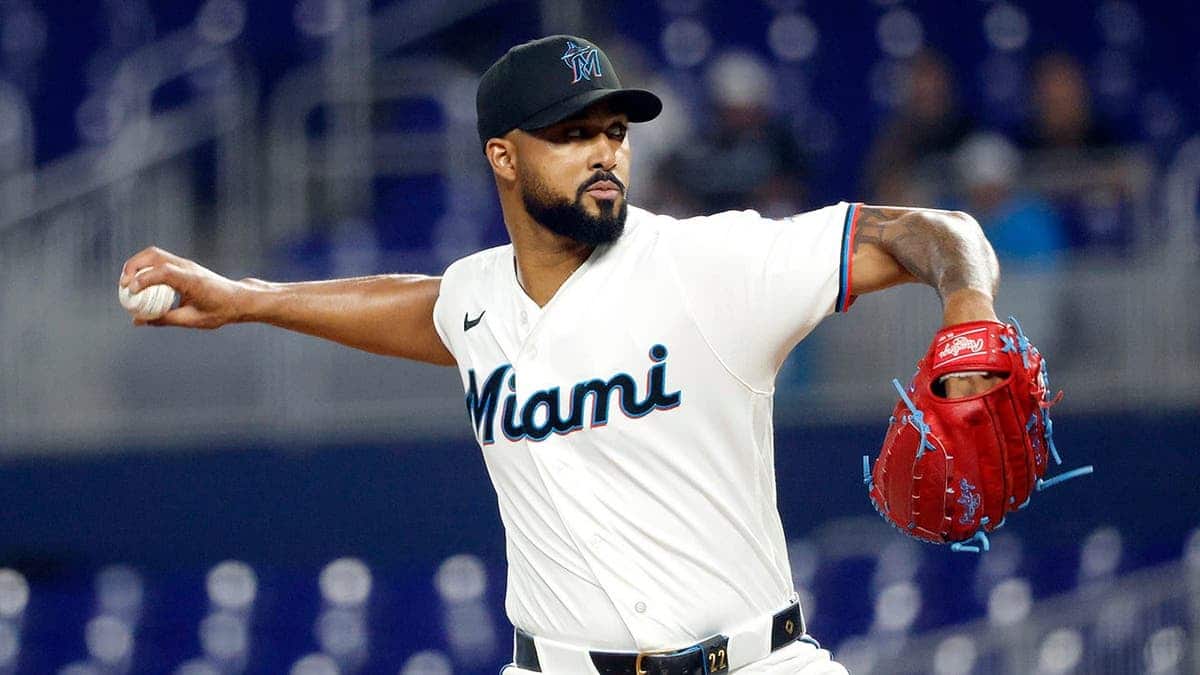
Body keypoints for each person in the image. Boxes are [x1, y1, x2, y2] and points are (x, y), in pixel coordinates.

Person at [120, 35, 1003, 675]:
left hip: (754, 663)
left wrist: (966, 305)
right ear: (503, 156)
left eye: (614, 129)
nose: (605, 151)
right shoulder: (477, 299)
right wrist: (246, 299)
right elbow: (424, 308)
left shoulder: (710, 262)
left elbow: (932, 229)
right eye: (573, 133)